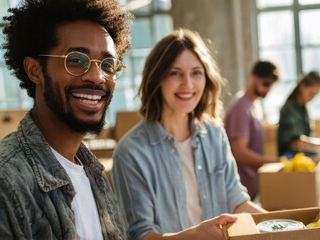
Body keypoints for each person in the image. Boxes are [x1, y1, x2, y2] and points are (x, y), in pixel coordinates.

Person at [0, 0, 132, 238]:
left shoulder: (93, 172)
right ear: (35, 70)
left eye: (108, 64)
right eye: (76, 60)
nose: (98, 77)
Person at [111, 29, 265, 240]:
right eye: (175, 73)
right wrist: (195, 235)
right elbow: (140, 235)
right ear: (157, 78)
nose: (188, 84)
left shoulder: (214, 133)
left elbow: (236, 201)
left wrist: (294, 227)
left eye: (196, 73)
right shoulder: (130, 152)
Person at [224, 61, 280, 199]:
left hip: (252, 184)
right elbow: (240, 153)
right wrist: (274, 162)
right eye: (265, 84)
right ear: (253, 77)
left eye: (271, 86)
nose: (267, 89)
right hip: (241, 187)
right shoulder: (241, 108)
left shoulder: (254, 105)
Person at [277, 71, 320, 156]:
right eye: (311, 94)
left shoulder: (304, 109)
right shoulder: (289, 109)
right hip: (290, 161)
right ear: (302, 87)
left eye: (315, 95)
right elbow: (295, 141)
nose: (312, 98)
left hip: (303, 159)